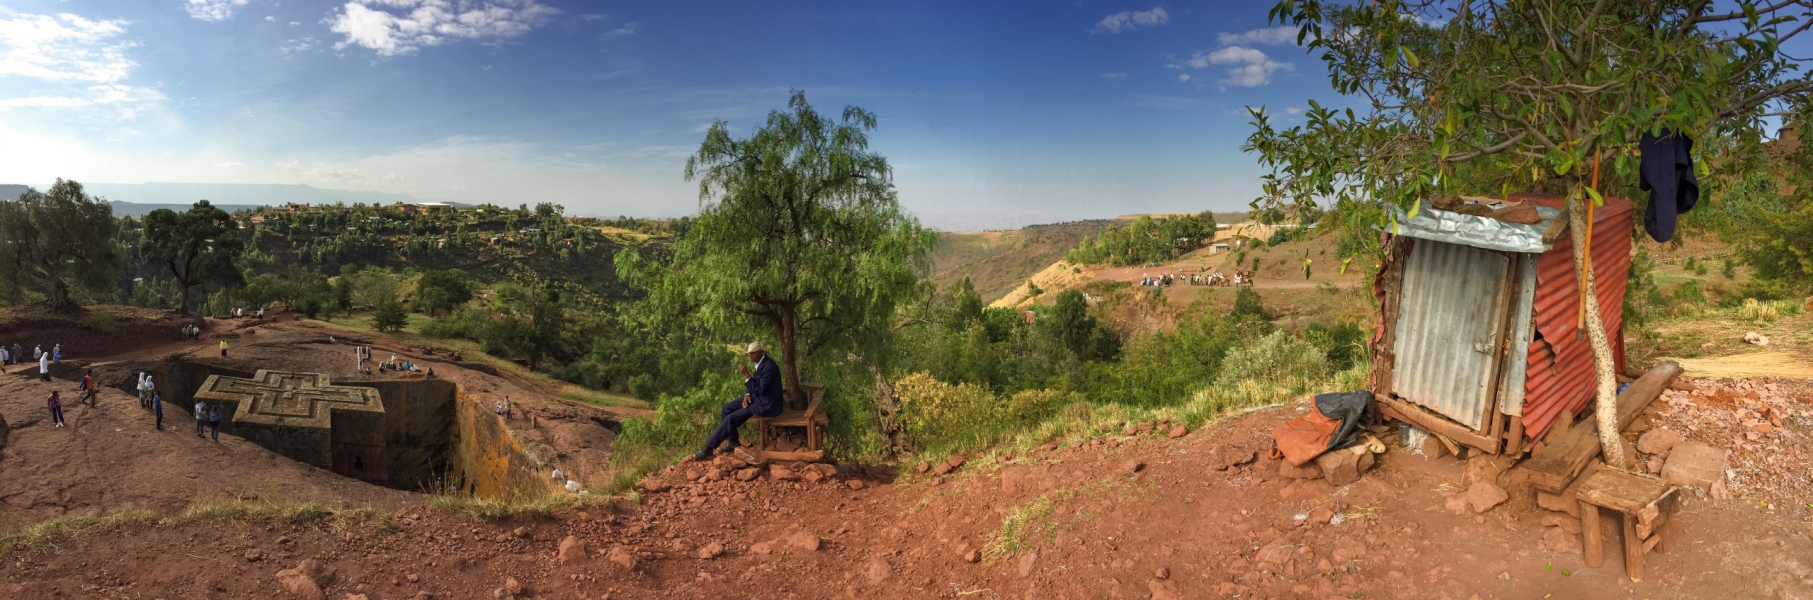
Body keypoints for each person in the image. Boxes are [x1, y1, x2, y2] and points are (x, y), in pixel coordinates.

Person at [692, 341, 785, 462]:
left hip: (767, 403)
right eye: (749, 354)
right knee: (726, 408)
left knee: (731, 418)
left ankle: (708, 447)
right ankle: (733, 442)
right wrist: (747, 394)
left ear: (761, 352)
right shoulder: (760, 363)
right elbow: (755, 385)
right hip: (757, 397)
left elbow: (760, 389)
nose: (750, 356)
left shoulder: (769, 366)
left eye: (752, 354)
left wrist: (747, 375)